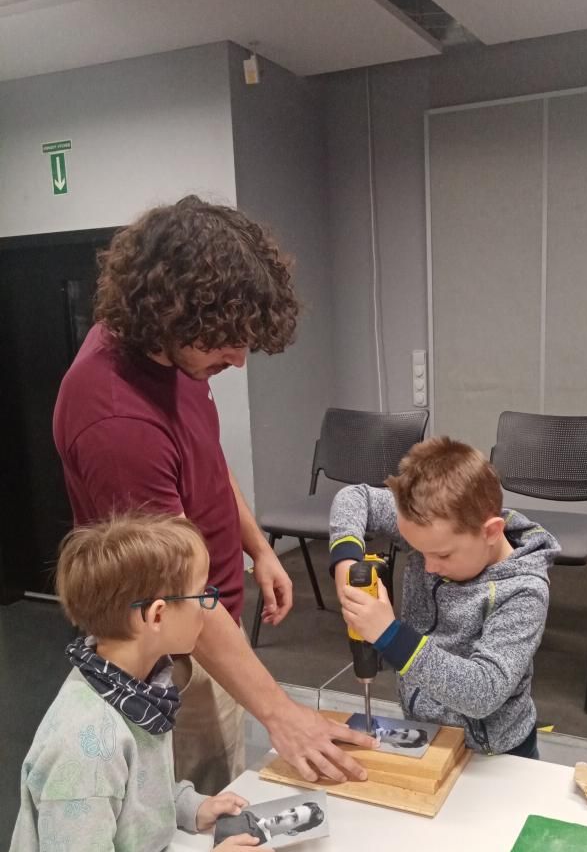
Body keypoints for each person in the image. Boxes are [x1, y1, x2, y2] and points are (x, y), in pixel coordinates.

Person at [52, 195, 374, 794]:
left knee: (223, 785)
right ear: (168, 312)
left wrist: (259, 548)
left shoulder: (174, 359)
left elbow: (206, 459)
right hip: (169, 645)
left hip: (207, 616)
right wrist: (281, 714)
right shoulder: (117, 421)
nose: (239, 359)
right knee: (196, 808)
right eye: (225, 341)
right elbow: (174, 586)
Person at [0, 513, 276, 852]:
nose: (209, 606)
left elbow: (134, 791)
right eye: (201, 595)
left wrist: (188, 806)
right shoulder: (88, 744)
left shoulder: (136, 685)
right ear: (157, 615)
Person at [330, 437, 560, 758]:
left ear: (491, 531)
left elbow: (482, 692)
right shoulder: (430, 525)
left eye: (442, 555)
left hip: (493, 755)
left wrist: (390, 636)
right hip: (432, 736)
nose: (429, 567)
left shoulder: (523, 591)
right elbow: (354, 497)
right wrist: (345, 561)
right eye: (418, 550)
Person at [215, 802, 325, 845]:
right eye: (291, 810)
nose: (284, 815)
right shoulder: (249, 814)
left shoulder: (252, 842)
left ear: (291, 832)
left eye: (294, 818)